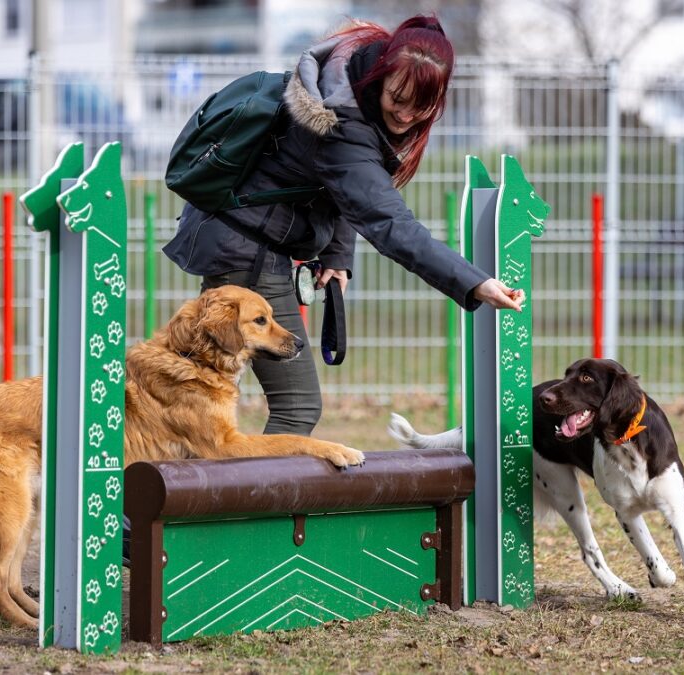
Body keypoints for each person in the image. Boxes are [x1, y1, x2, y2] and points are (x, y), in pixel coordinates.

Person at [163, 14, 524, 436]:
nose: (406, 115)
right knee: (296, 407)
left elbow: (337, 189)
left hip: (240, 242)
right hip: (245, 253)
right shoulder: (342, 125)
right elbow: (388, 220)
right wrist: (474, 282)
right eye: (398, 98)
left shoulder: (346, 82)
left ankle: (210, 482)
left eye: (421, 105)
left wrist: (336, 255)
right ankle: (250, 502)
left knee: (203, 399)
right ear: (380, 74)